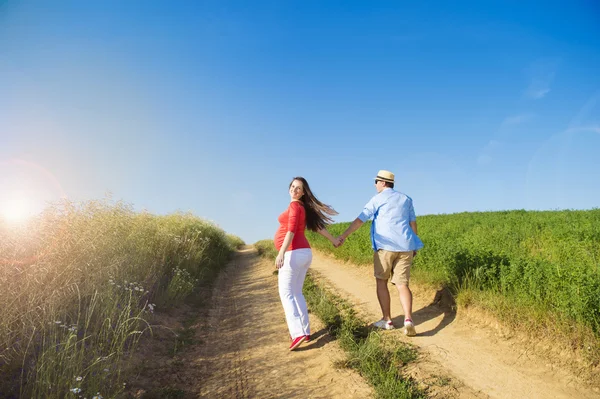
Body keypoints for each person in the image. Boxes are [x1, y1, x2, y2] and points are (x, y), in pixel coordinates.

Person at [337, 170, 423, 336]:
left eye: (376, 181)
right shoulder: (406, 199)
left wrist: (343, 236)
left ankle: (387, 319)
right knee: (402, 284)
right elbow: (413, 224)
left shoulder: (378, 199)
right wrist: (414, 246)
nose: (375, 184)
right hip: (406, 246)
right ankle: (408, 319)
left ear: (383, 183)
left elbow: (361, 219)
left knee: (381, 282)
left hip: (385, 247)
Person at [274, 177, 340, 350]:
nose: (295, 190)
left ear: (303, 192)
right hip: (303, 253)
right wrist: (333, 239)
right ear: (289, 188)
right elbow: (317, 227)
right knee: (296, 293)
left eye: (299, 188)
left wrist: (281, 253)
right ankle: (305, 331)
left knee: (286, 294)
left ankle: (298, 333)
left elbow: (291, 230)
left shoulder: (295, 206)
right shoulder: (303, 207)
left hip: (292, 253)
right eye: (293, 186)